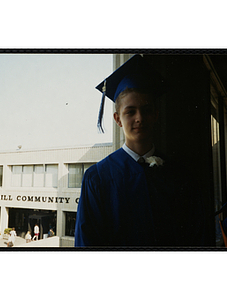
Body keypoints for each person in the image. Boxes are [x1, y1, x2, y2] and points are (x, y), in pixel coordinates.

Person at [74, 54, 205, 247]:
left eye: (146, 110)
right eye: (130, 111)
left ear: (156, 115)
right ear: (117, 119)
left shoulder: (180, 175)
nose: (139, 118)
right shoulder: (97, 178)